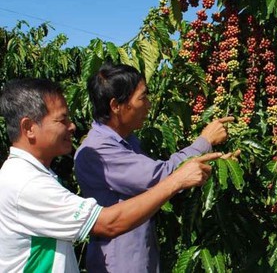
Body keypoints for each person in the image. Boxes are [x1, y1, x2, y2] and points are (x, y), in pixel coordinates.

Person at [0, 78, 222, 272]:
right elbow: (108, 223)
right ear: (29, 127)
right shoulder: (26, 184)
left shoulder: (32, 175)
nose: (72, 126)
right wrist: (177, 180)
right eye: (62, 119)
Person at [74, 62, 235, 272]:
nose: (149, 104)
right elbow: (161, 177)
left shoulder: (126, 139)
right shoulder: (98, 151)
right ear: (116, 106)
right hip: (120, 264)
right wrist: (205, 141)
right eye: (142, 98)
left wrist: (217, 160)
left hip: (141, 255)